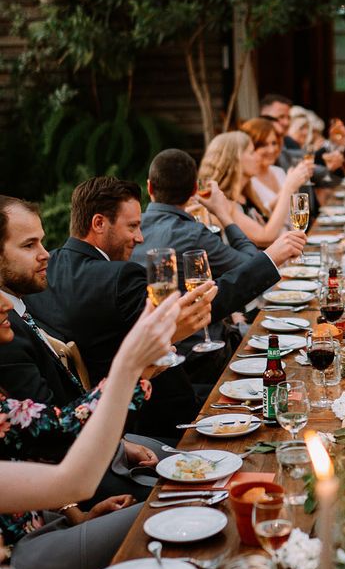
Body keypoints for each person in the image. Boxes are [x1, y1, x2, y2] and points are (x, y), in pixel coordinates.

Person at [0, 291, 179, 569]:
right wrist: (130, 365)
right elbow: (68, 453)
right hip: (20, 567)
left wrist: (74, 513)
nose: (6, 302)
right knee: (166, 512)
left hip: (44, 529)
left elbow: (43, 467)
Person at [20, 183, 211, 438]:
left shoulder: (44, 273)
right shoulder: (120, 276)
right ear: (98, 223)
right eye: (132, 226)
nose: (140, 237)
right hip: (152, 420)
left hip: (108, 416)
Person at [132, 149, 304, 369]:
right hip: (198, 355)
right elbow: (251, 265)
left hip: (147, 352)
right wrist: (224, 215)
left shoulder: (134, 230)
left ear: (149, 187)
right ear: (194, 189)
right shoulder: (191, 233)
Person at [197, 132, 311, 247]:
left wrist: (290, 184)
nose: (258, 156)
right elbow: (266, 237)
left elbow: (264, 213)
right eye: (252, 152)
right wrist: (289, 187)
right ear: (234, 159)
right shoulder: (222, 204)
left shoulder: (246, 193)